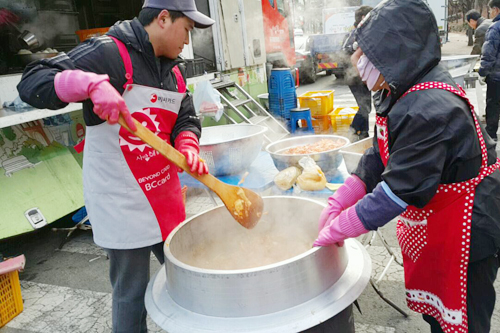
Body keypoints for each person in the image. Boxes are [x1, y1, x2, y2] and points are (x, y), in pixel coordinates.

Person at [17, 0, 214, 332]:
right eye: (187, 29)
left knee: (188, 277)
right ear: (164, 18)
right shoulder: (109, 52)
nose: (187, 39)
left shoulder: (174, 71)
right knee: (132, 293)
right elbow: (32, 81)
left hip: (164, 197)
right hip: (121, 200)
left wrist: (187, 144)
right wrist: (90, 85)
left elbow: (185, 118)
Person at [314, 0, 500, 332]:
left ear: (395, 53)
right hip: (438, 221)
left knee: (464, 318)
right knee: (437, 315)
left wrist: (341, 226)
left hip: (470, 226)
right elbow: (380, 154)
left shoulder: (431, 107)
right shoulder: (398, 88)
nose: (357, 61)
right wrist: (343, 196)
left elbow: (398, 190)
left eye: (366, 54)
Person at [342, 5, 373, 141]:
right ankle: (352, 131)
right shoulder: (354, 33)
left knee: (365, 106)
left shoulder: (366, 31)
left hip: (363, 76)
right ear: (363, 17)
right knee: (364, 107)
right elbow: (343, 50)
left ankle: (364, 133)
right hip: (353, 77)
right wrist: (353, 46)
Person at [479, 0, 500, 141]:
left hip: (497, 76)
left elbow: (489, 54)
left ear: (497, 10)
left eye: (491, 9)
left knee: (493, 104)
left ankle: (491, 135)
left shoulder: (495, 28)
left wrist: (482, 72)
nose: (490, 12)